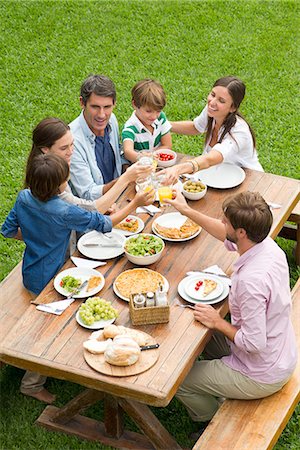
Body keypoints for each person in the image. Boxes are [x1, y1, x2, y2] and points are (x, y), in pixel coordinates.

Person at [1, 153, 154, 403]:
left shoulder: (24, 197)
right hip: (54, 280)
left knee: (46, 323)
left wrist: (36, 240)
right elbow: (104, 223)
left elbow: (8, 230)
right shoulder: (62, 210)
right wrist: (134, 203)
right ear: (59, 185)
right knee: (48, 330)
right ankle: (32, 383)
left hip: (31, 272)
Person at [164, 190, 297, 436]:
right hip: (280, 351)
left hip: (261, 372)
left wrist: (218, 322)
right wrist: (187, 211)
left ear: (241, 232)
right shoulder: (266, 245)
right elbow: (223, 234)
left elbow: (254, 342)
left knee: (178, 382)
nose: (222, 222)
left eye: (226, 221)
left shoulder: (250, 281)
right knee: (200, 328)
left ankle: (211, 421)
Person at [27, 117, 152, 214]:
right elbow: (91, 210)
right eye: (64, 148)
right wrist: (126, 179)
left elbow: (9, 229)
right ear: (45, 150)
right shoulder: (55, 185)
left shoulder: (29, 191)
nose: (71, 152)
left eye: (72, 144)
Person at [162, 76, 263, 185]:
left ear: (232, 108)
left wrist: (178, 169)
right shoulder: (212, 111)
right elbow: (196, 127)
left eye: (221, 100)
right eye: (213, 95)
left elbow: (211, 158)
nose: (212, 102)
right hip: (218, 176)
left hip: (249, 181)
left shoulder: (239, 132)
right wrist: (163, 125)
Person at [69, 74, 129, 200]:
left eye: (107, 107)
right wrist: (125, 179)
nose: (102, 115)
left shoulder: (111, 120)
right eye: (95, 107)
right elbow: (88, 194)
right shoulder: (71, 140)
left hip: (116, 196)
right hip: (92, 210)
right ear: (82, 103)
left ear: (114, 104)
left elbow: (116, 156)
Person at [121, 78, 172, 163]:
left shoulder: (160, 118)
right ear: (134, 105)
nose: (154, 116)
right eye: (148, 111)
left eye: (158, 111)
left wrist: (151, 155)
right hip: (138, 168)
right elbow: (127, 152)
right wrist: (143, 158)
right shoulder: (130, 128)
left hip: (157, 164)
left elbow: (167, 144)